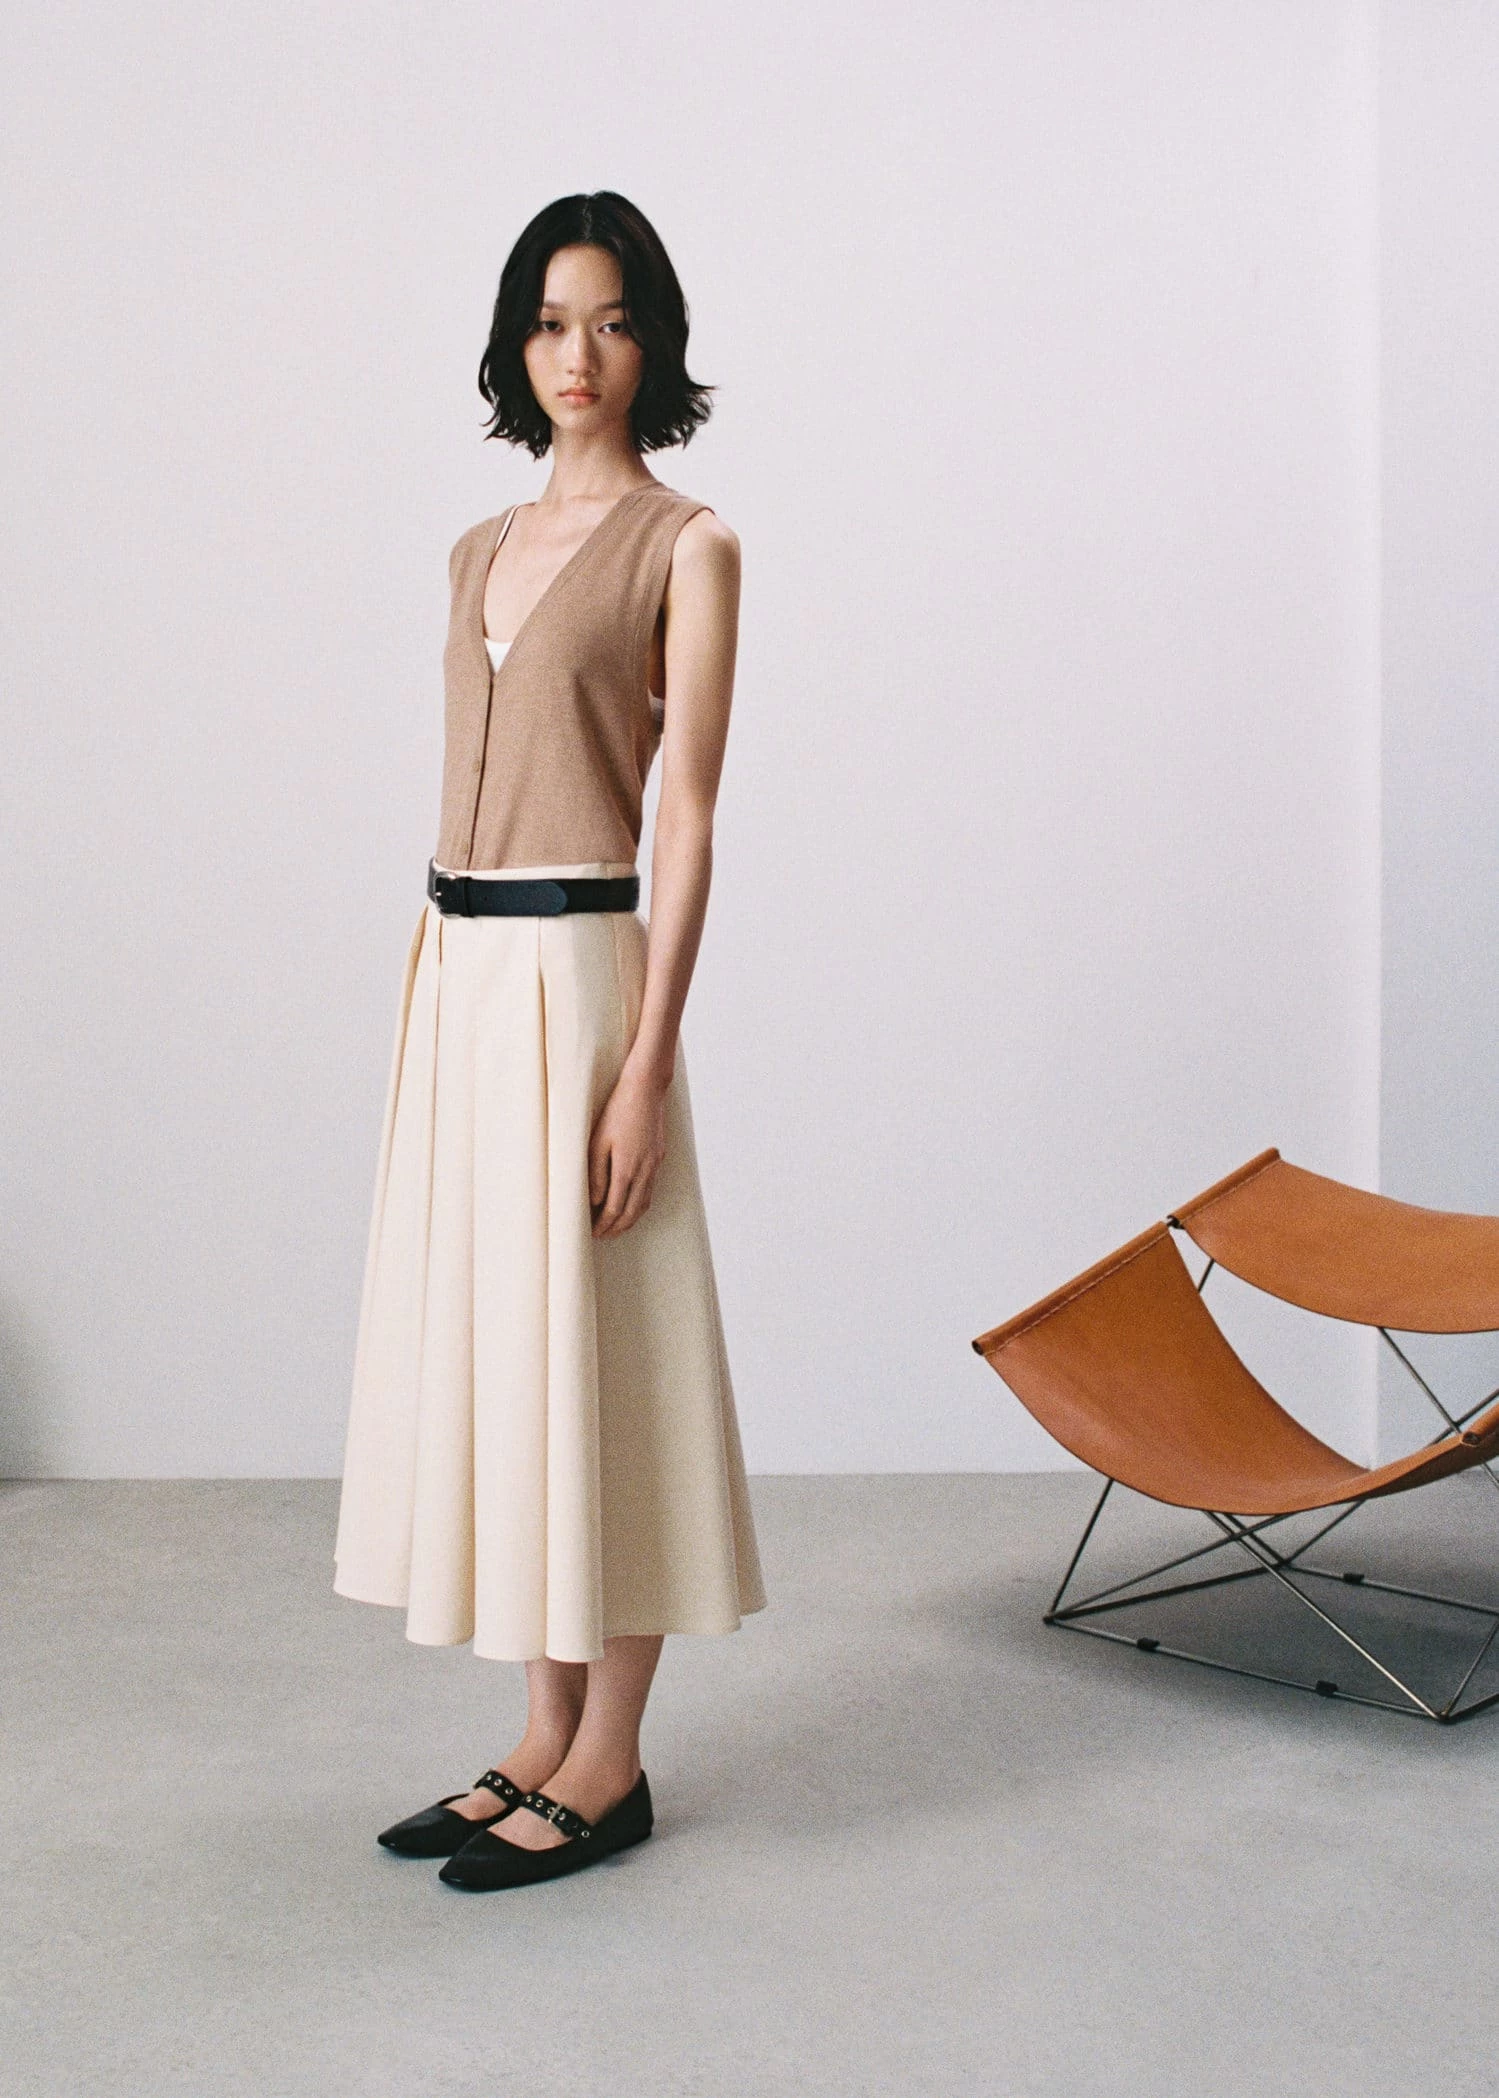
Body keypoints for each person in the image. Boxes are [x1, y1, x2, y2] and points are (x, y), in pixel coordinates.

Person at [332, 191, 766, 1892]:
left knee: (609, 1350)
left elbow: (692, 814)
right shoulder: (473, 549)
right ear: (516, 343)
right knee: (507, 1350)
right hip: (454, 969)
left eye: (610, 320)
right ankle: (538, 1728)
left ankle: (612, 1755)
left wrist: (644, 1063)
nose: (576, 355)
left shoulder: (689, 543)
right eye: (547, 320)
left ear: (653, 340)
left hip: (582, 976)